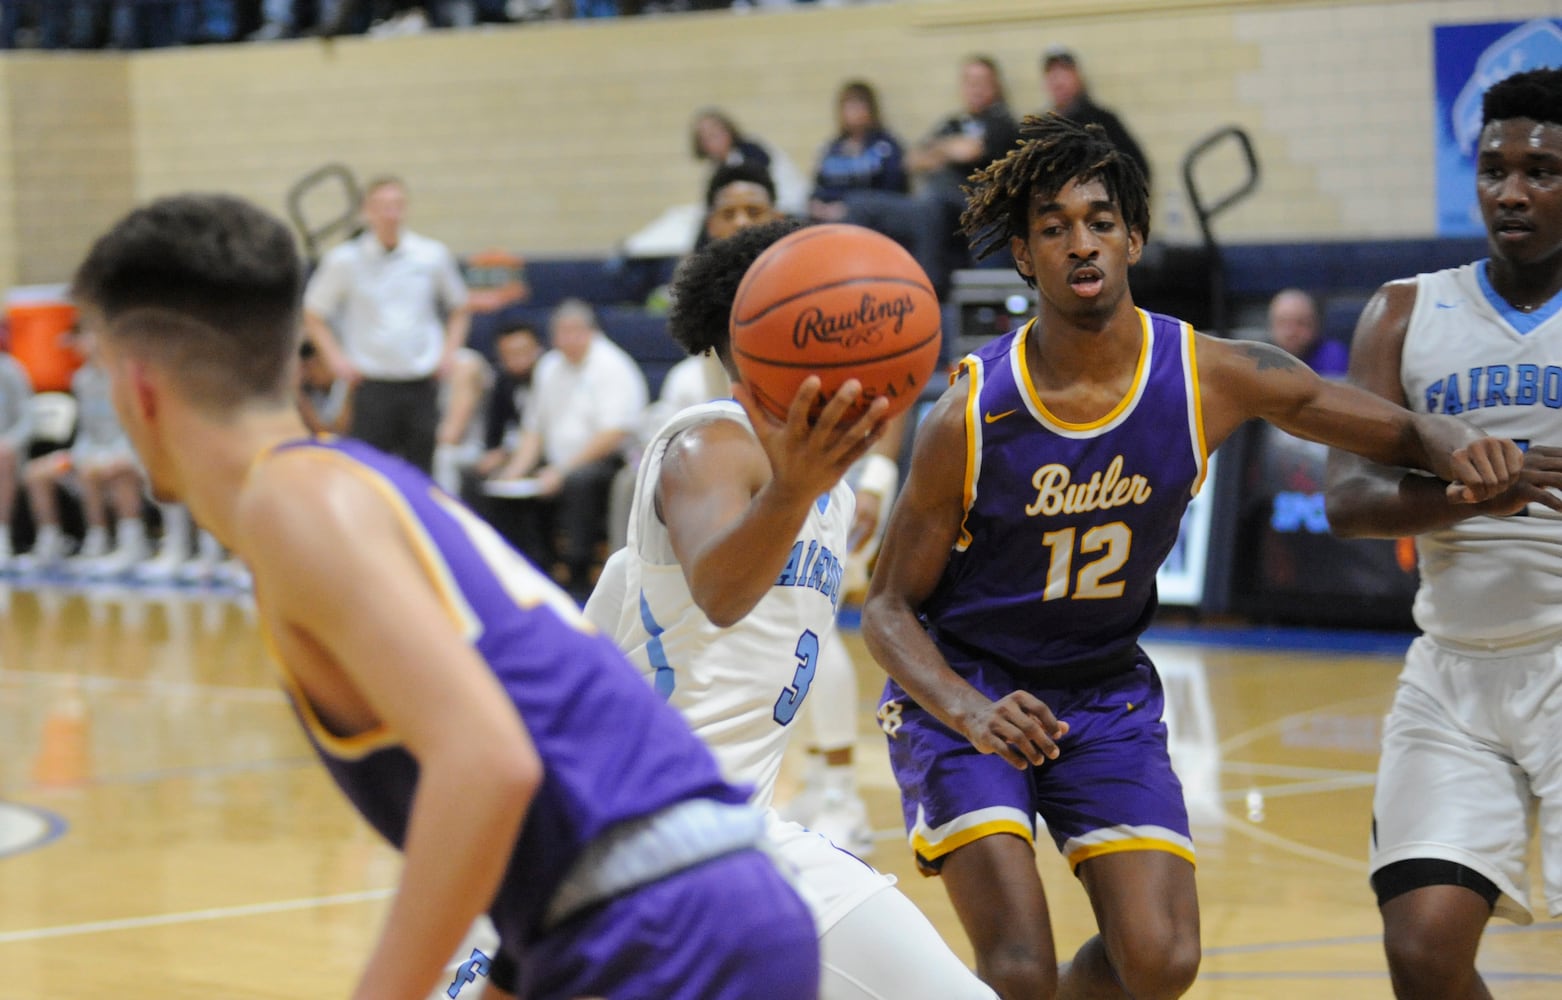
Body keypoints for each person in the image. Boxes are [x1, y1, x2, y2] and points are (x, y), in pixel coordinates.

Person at [70, 192, 820, 1000]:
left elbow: (489, 760)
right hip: (670, 910)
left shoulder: (294, 504)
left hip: (656, 924)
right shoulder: (345, 485)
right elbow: (551, 779)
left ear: (138, 385)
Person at [860, 113, 1524, 1000]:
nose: (1081, 243)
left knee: (1163, 961)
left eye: (1100, 221)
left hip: (1100, 687)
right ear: (1023, 257)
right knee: (1016, 967)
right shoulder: (973, 413)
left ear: (1134, 237)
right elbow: (888, 607)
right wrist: (968, 710)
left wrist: (1442, 437)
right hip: (974, 686)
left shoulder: (1210, 371)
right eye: (1052, 229)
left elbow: (1356, 415)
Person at [584, 217, 998, 1000]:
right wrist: (793, 490)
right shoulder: (709, 446)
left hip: (745, 833)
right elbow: (722, 590)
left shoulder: (825, 484)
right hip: (622, 840)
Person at [1323, 66, 1562, 1000]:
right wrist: (1472, 496)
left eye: (1541, 170)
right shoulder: (1405, 309)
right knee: (1422, 951)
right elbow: (1349, 498)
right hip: (1454, 675)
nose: (1511, 190)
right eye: (1495, 168)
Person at [303, 176, 471, 475]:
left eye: (397, 206)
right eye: (382, 206)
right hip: (371, 385)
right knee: (371, 475)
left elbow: (459, 307)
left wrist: (449, 354)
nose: (390, 214)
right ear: (367, 211)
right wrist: (336, 360)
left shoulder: (431, 255)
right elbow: (313, 313)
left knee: (421, 474)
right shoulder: (345, 260)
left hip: (421, 382)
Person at [489, 299, 647, 601]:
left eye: (575, 332)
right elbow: (533, 430)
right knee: (506, 487)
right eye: (561, 333)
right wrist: (513, 472)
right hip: (556, 461)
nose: (568, 340)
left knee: (579, 482)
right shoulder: (548, 366)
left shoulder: (612, 365)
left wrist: (562, 471)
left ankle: (578, 570)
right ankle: (533, 566)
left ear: (591, 332)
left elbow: (612, 434)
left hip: (607, 460)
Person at [17, 332, 149, 576]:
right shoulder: (81, 379)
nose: (78, 344)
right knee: (35, 472)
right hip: (93, 454)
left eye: (84, 337)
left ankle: (130, 542)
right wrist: (81, 455)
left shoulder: (122, 377)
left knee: (107, 472)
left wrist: (109, 455)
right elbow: (85, 430)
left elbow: (134, 427)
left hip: (129, 454)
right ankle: (52, 540)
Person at [809, 80, 944, 301]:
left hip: (875, 213)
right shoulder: (832, 148)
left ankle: (853, 281)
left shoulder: (886, 145)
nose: (853, 112)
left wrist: (847, 206)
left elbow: (895, 186)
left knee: (858, 206)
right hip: (833, 215)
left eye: (859, 105)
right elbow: (819, 187)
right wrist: (820, 206)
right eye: (848, 106)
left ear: (871, 109)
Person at [908, 56, 1021, 294]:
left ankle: (929, 287)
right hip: (945, 208)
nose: (975, 88)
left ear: (994, 86)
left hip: (982, 203)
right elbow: (913, 160)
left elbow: (971, 151)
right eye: (970, 82)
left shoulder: (1001, 121)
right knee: (865, 206)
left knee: (936, 195)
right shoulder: (952, 123)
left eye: (982, 82)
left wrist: (939, 150)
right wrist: (950, 149)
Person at [1040, 47, 1152, 192]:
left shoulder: (1102, 120)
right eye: (1051, 73)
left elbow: (1137, 167)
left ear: (1077, 76)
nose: (1057, 80)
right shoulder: (1039, 127)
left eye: (1064, 71)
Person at [1265, 287, 1348, 377]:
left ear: (1316, 325)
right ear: (1270, 325)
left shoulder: (1333, 356)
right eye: (1282, 323)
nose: (1291, 332)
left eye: (1300, 323)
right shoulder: (1256, 357)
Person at [0, 342, 33, 566]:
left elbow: (29, 420)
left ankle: (1, 536)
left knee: (4, 457)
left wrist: (9, 441)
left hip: (9, 450)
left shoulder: (11, 370)